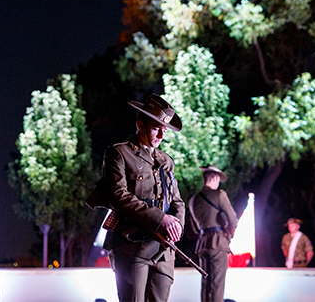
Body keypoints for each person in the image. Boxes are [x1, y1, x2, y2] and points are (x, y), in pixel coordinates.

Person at [101, 93, 185, 302]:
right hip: (132, 245)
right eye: (157, 128)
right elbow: (117, 196)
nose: (161, 135)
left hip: (164, 249)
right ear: (140, 125)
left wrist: (176, 228)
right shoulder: (119, 153)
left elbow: (177, 202)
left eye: (164, 130)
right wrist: (160, 219)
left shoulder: (166, 161)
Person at [189, 165, 238, 302]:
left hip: (202, 243)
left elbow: (194, 227)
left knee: (205, 283)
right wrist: (230, 235)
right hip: (218, 242)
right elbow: (233, 219)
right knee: (217, 284)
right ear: (215, 178)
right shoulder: (220, 195)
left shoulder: (193, 200)